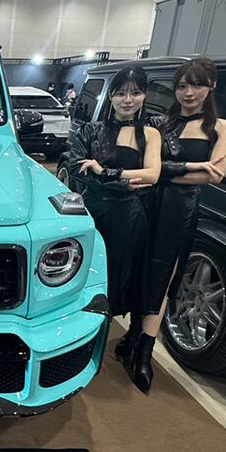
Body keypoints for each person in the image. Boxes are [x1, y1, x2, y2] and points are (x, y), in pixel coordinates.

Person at [127, 57, 226, 393]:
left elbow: (214, 175)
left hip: (179, 210)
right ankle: (132, 335)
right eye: (183, 86)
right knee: (138, 270)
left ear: (211, 86)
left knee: (164, 276)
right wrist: (178, 171)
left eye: (197, 85)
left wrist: (162, 173)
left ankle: (144, 352)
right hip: (145, 204)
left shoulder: (221, 127)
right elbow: (148, 167)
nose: (189, 93)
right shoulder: (160, 123)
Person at [68, 66, 161, 333]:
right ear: (111, 97)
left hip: (129, 217)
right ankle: (85, 333)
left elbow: (153, 174)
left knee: (123, 275)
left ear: (144, 96)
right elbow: (76, 169)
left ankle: (120, 334)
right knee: (87, 272)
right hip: (94, 212)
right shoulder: (90, 130)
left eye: (135, 93)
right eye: (121, 93)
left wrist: (105, 172)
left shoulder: (150, 134)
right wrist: (125, 182)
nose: (127, 100)